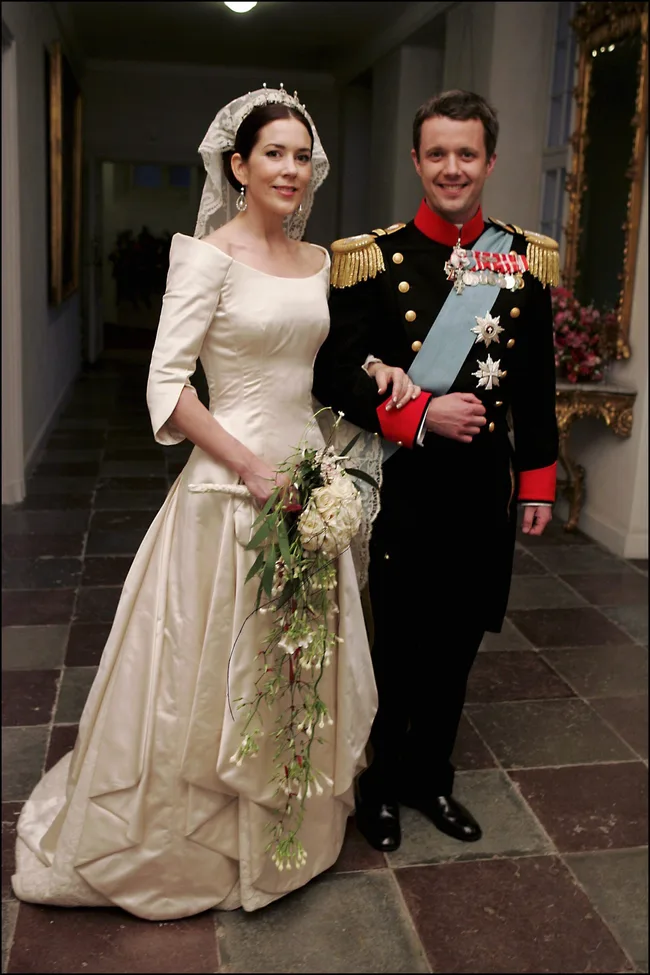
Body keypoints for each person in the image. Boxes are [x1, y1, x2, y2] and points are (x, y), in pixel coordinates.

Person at [12, 87, 417, 920]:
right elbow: (167, 388)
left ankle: (282, 832)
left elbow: (320, 361)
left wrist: (375, 369)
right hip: (229, 488)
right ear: (238, 165)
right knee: (208, 663)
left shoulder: (316, 264)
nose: (291, 169)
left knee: (297, 657)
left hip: (307, 479)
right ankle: (187, 838)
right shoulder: (204, 255)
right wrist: (250, 469)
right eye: (274, 153)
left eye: (303, 156)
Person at [313, 89, 559, 853]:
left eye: (467, 153)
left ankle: (431, 778)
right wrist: (418, 415)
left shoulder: (522, 262)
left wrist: (539, 481)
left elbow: (536, 384)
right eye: (438, 153)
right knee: (400, 642)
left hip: (482, 486)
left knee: (458, 642)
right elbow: (332, 374)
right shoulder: (372, 259)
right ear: (417, 160)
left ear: (489, 160)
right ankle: (381, 787)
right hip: (403, 483)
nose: (453, 168)